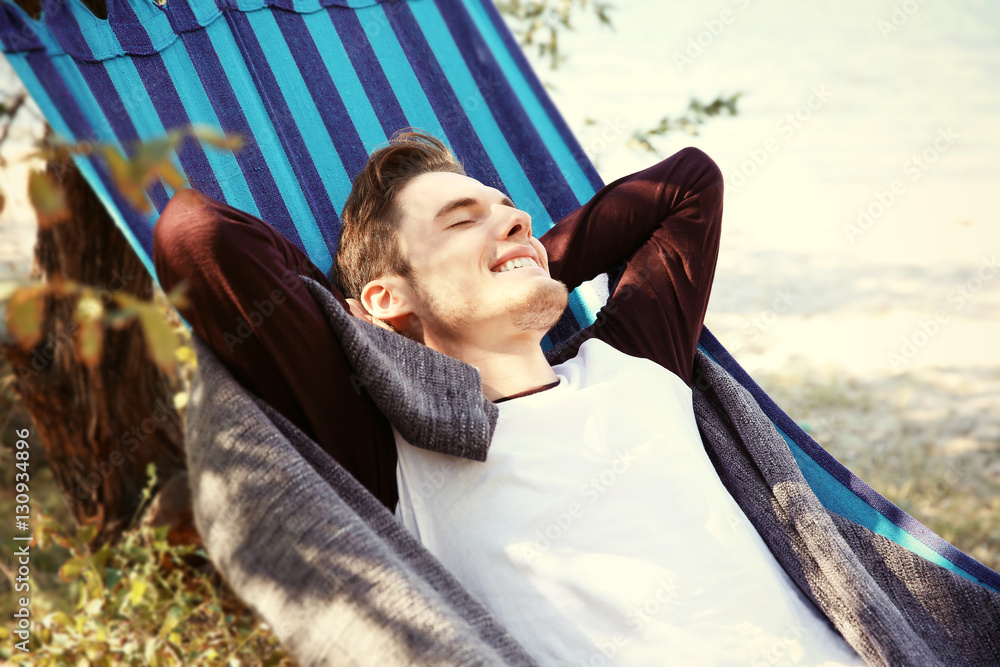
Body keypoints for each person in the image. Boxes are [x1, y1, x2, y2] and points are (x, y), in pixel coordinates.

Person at [153, 129, 864, 666]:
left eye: (510, 209)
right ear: (384, 300)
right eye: (461, 219)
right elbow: (197, 236)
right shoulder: (388, 446)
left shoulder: (633, 362)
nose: (515, 217)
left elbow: (688, 182)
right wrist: (368, 327)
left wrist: (525, 259)